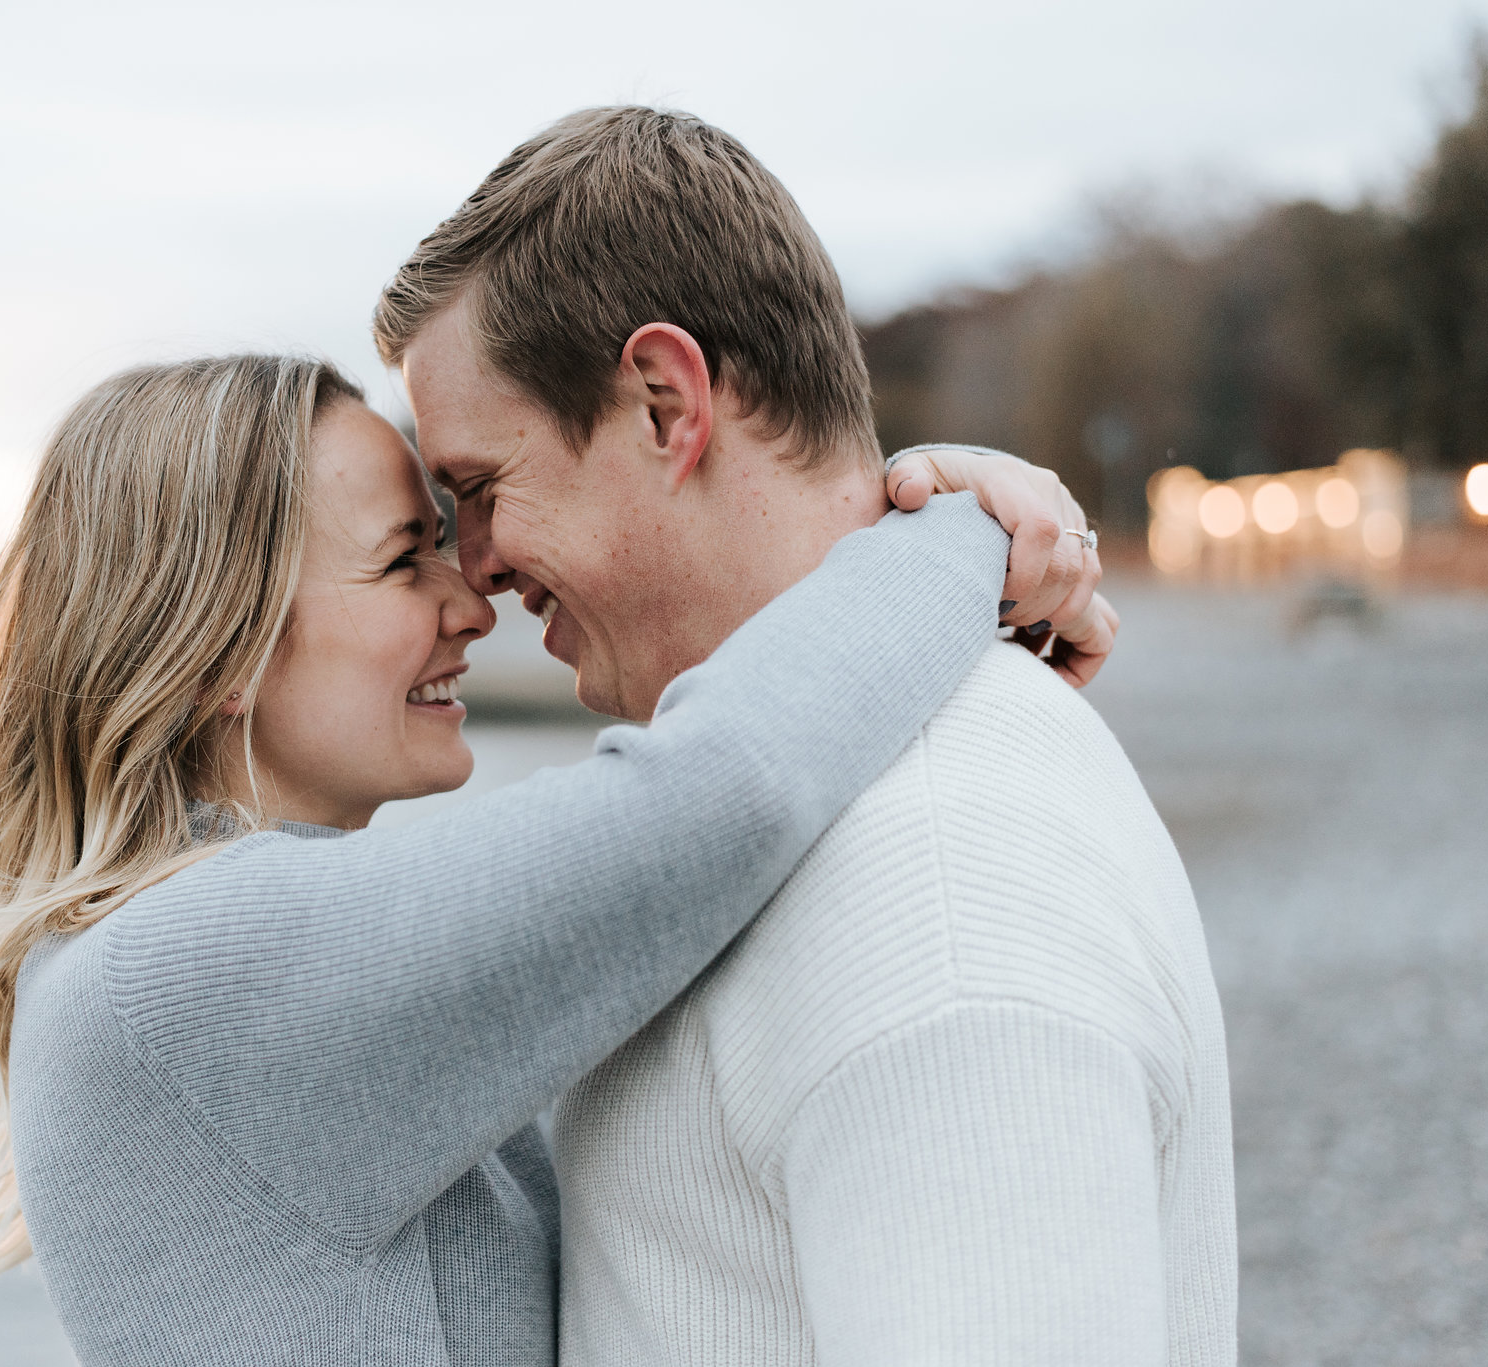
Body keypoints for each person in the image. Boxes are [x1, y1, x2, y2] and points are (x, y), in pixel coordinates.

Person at [0, 347, 1106, 1365]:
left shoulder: (146, 962)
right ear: (214, 646)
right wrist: (963, 535)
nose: (471, 601)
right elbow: (717, 791)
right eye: (401, 557)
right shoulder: (185, 973)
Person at [374, 107, 1235, 1365]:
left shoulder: (935, 895)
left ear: (666, 405)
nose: (478, 570)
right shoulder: (819, 793)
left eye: (481, 491)